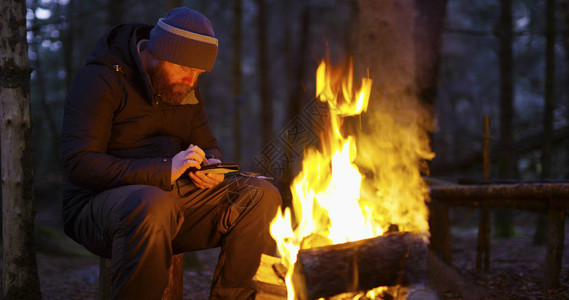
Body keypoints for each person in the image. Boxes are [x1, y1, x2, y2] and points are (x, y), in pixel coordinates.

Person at [61, 7, 281, 299]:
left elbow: (206, 142)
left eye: (199, 73)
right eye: (184, 70)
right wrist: (165, 169)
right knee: (152, 204)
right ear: (157, 53)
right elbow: (80, 163)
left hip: (172, 201)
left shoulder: (184, 88)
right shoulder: (101, 79)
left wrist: (208, 165)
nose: (191, 81)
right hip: (99, 207)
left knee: (261, 195)